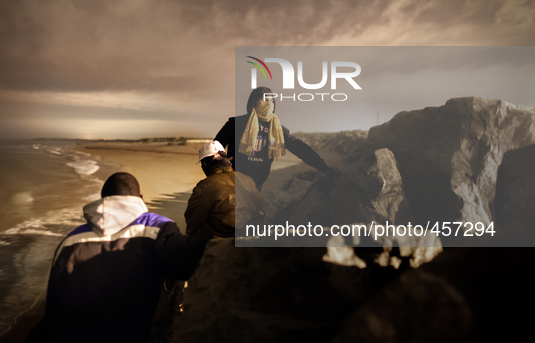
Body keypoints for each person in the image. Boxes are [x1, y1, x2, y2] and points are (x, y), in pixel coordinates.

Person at [27, 172, 212, 343]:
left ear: (103, 201)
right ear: (140, 199)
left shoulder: (68, 243)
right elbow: (188, 261)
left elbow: (54, 310)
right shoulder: (155, 228)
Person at [215, 86, 339, 190]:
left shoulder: (277, 129)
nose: (268, 104)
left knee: (253, 216)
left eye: (271, 101)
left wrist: (324, 167)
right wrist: (219, 164)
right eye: (263, 100)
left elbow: (300, 148)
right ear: (253, 102)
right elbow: (214, 147)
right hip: (231, 183)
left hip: (256, 186)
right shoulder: (236, 124)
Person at [184, 141, 264, 238]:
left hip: (226, 244)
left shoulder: (204, 186)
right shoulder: (247, 179)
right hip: (254, 237)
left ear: (205, 164)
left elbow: (193, 223)